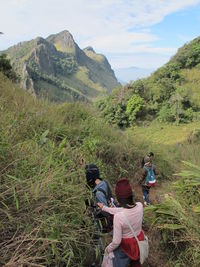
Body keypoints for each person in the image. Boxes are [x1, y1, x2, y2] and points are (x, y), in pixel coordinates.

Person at [98, 178, 144, 267]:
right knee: (135, 263)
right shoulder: (140, 206)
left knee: (118, 263)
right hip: (138, 240)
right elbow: (123, 210)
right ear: (131, 195)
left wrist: (108, 249)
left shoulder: (119, 217)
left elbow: (116, 242)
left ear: (118, 198)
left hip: (126, 246)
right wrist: (104, 208)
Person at [85, 163, 115, 233]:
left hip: (109, 226)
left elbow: (105, 211)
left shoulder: (98, 193)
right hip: (114, 217)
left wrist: (93, 206)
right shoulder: (104, 183)